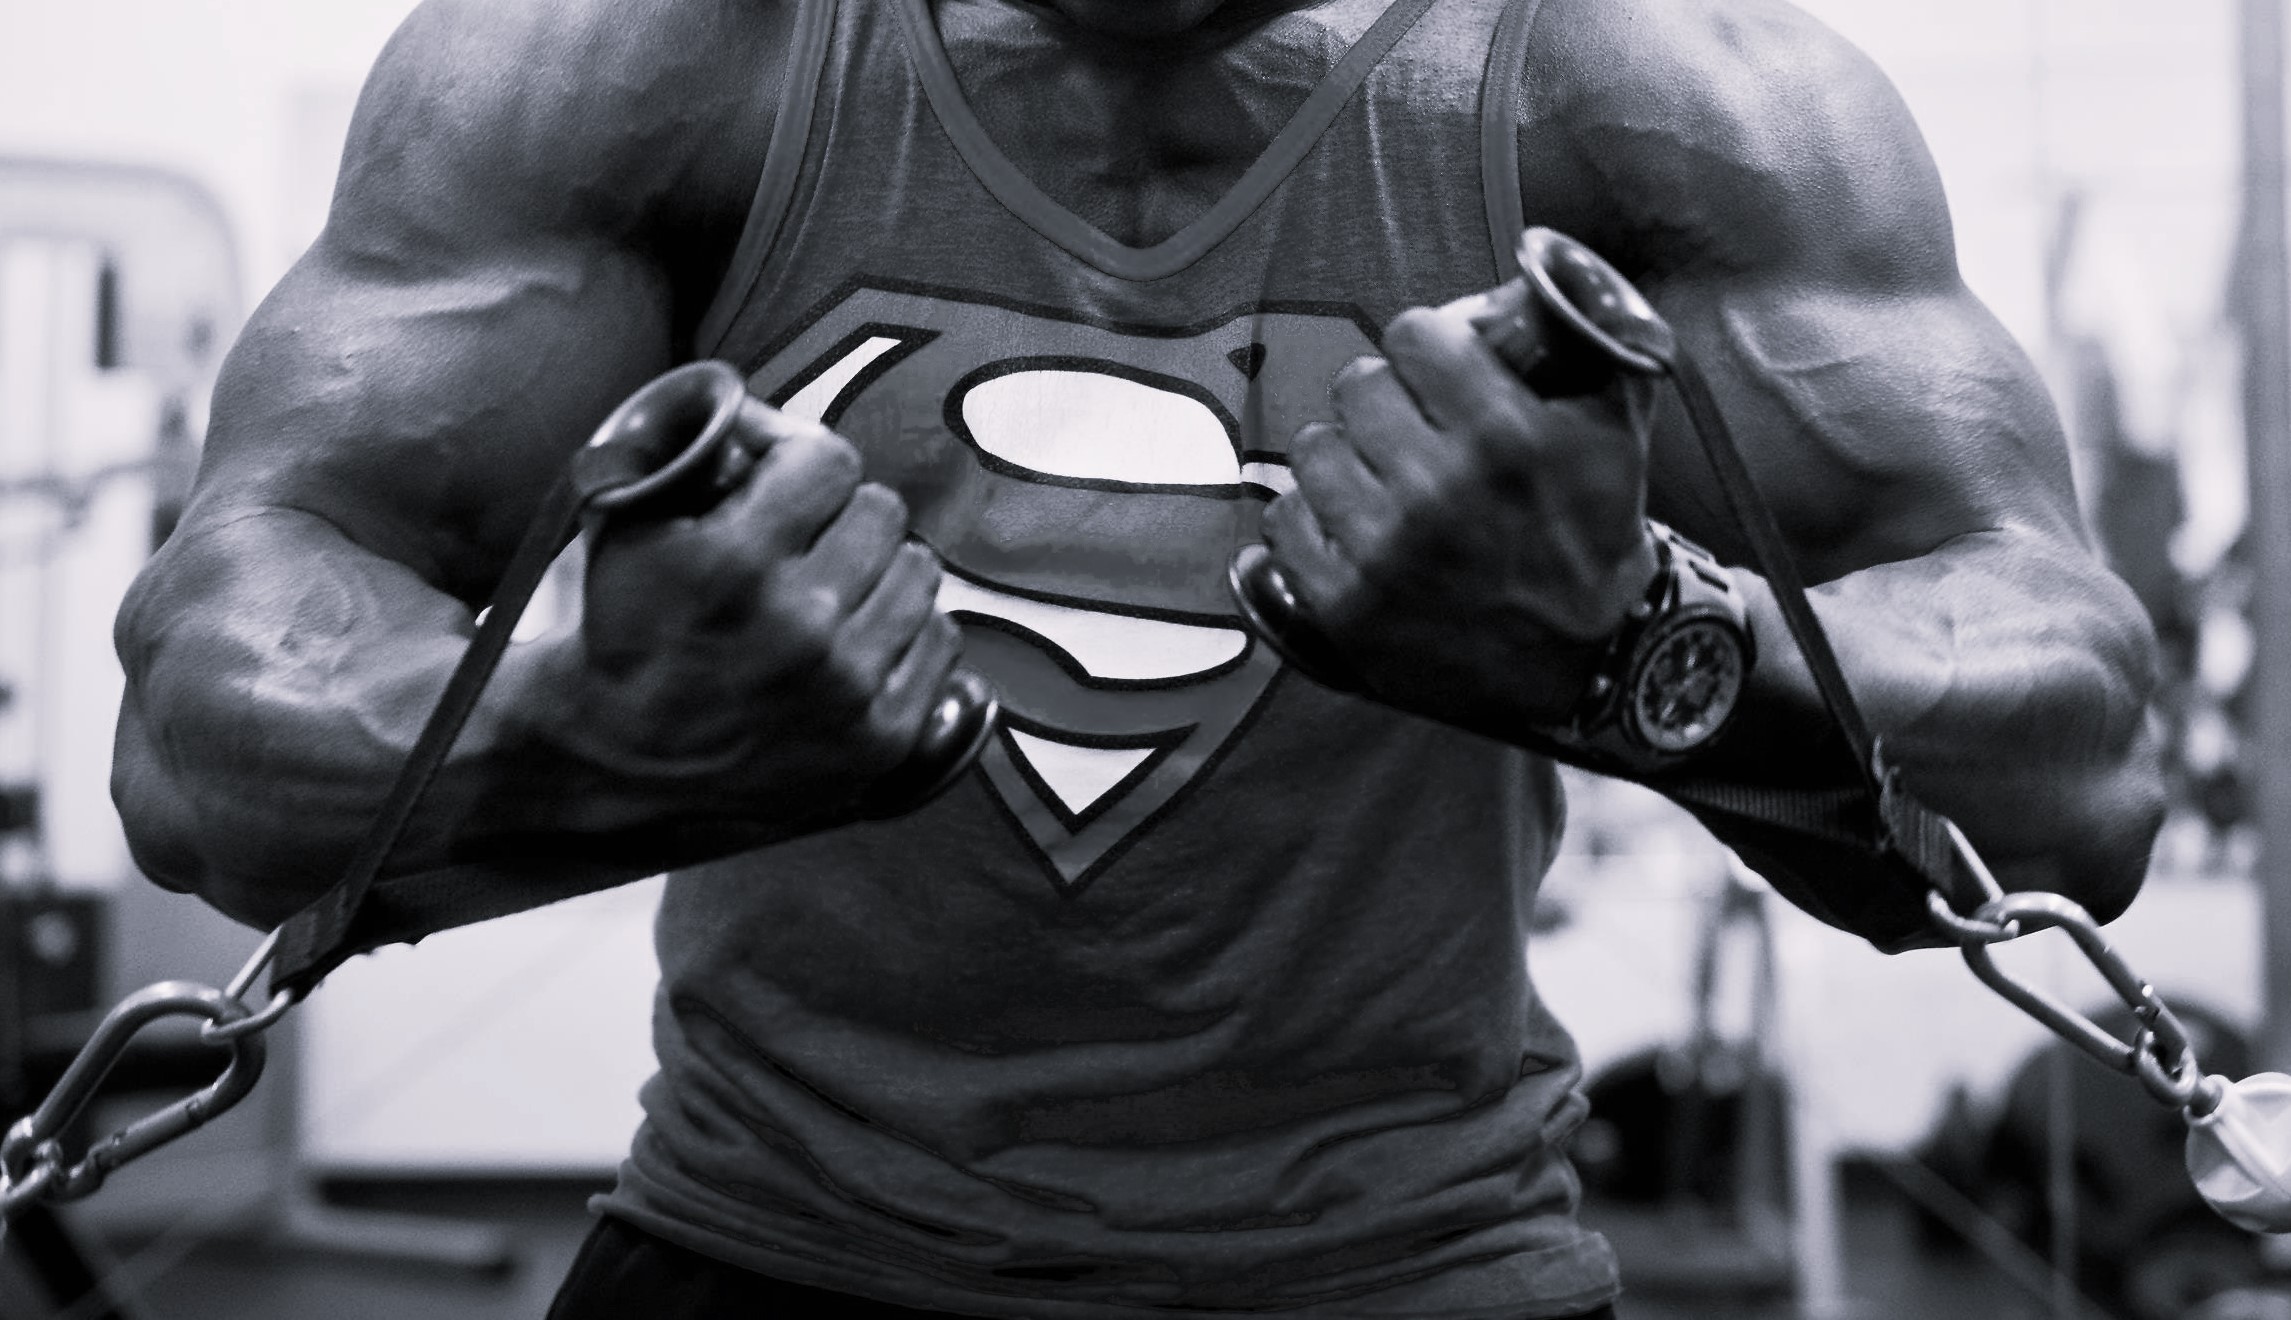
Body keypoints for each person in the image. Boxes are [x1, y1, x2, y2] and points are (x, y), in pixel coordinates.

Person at [109, 0, 2165, 1315]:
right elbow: (205, 739)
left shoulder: (1655, 98)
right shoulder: (640, 68)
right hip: (765, 1247)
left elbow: (2076, 768)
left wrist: (1635, 646)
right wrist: (589, 735)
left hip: (1420, 1266)